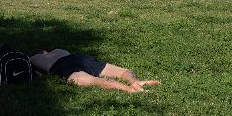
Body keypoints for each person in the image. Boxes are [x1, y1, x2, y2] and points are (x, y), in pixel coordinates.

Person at [30, 49, 160, 93]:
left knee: (94, 81)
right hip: (79, 58)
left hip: (61, 67)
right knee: (120, 71)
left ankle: (129, 90)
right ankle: (135, 82)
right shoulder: (60, 50)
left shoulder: (33, 59)